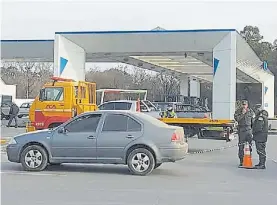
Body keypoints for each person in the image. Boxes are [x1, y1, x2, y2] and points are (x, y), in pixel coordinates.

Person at [234, 100, 255, 167]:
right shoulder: (238, 112)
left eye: (245, 104)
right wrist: (242, 114)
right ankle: (241, 161)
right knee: (241, 146)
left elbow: (253, 121)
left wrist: (253, 130)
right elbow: (237, 119)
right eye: (243, 104)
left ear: (247, 105)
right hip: (241, 130)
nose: (244, 106)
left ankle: (249, 159)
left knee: (249, 146)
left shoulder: (251, 111)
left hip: (249, 129)